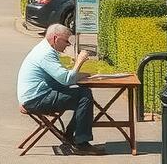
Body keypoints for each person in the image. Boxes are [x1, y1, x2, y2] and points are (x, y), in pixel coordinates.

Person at [17, 23, 105, 156]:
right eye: (66, 41)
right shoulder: (46, 54)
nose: (68, 45)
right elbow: (66, 80)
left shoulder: (43, 49)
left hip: (33, 96)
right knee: (84, 95)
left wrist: (81, 75)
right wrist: (79, 61)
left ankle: (70, 136)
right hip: (36, 99)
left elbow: (60, 78)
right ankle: (81, 143)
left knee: (81, 93)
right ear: (55, 39)